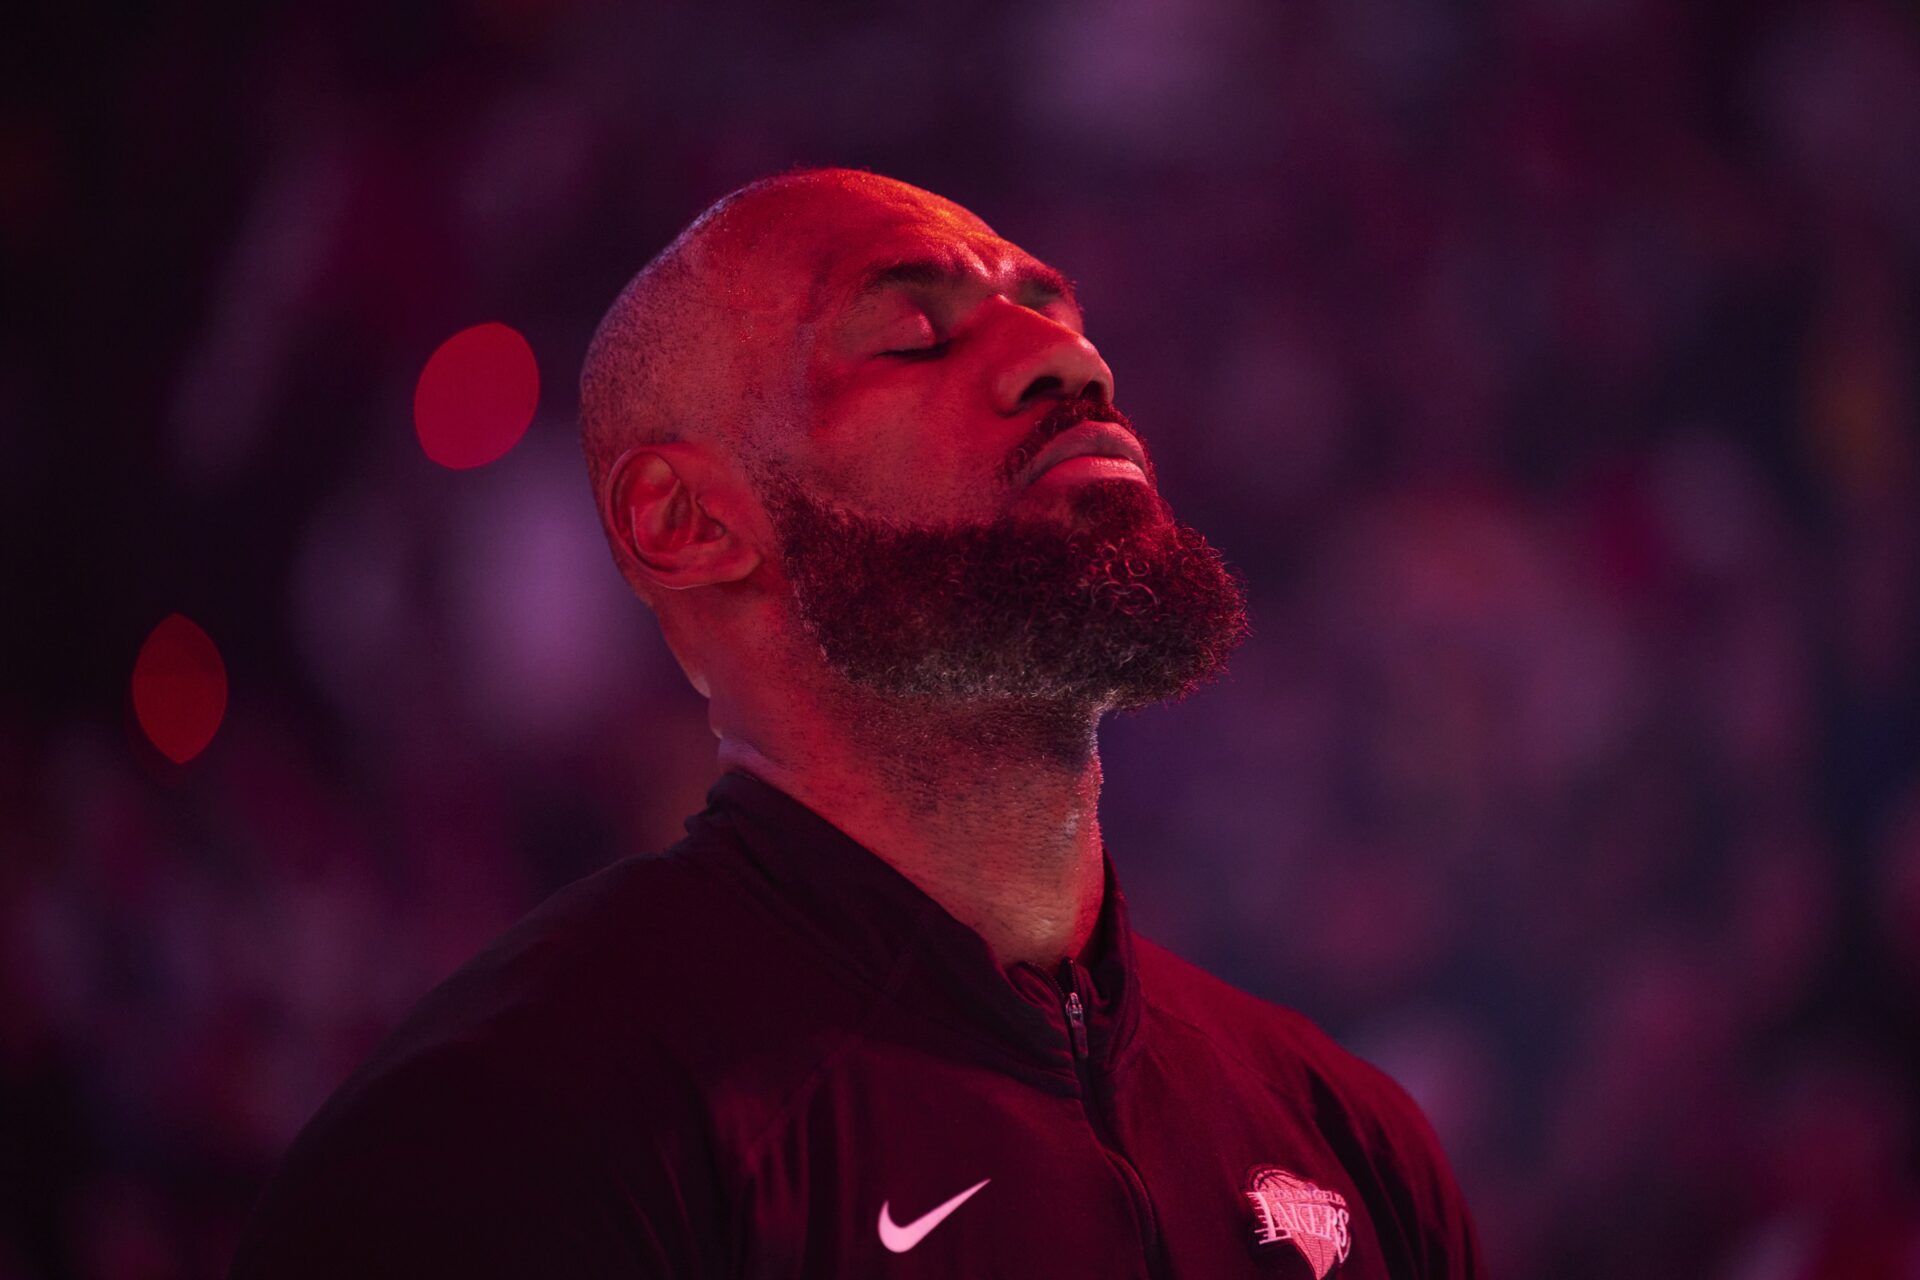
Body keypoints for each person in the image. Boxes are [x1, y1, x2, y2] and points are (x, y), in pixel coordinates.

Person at [229, 168, 1485, 1278]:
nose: (1072, 364)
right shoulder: (514, 1137)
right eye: (914, 336)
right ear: (689, 520)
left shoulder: (1343, 1136)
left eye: (1055, 314)